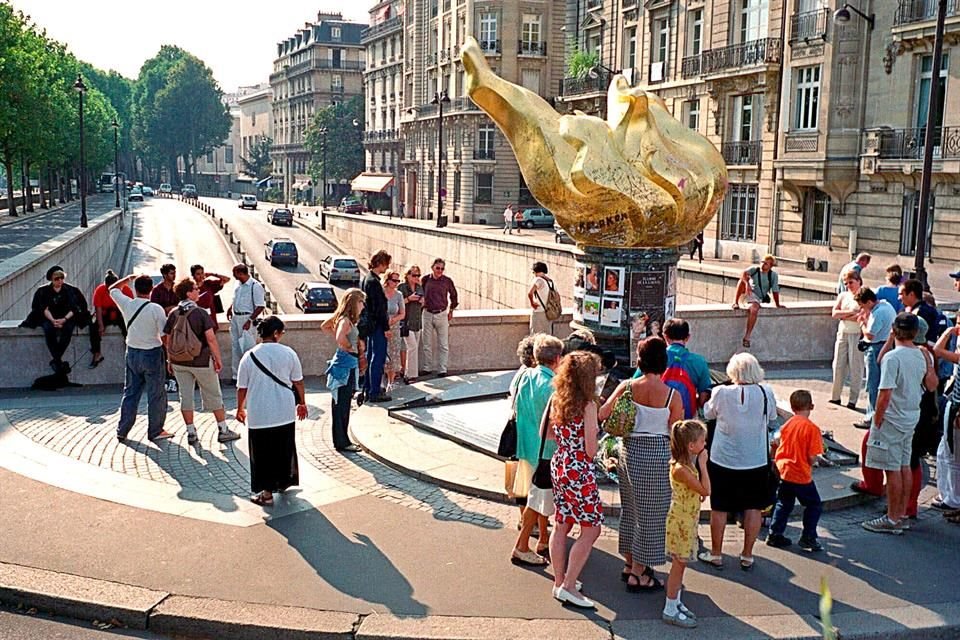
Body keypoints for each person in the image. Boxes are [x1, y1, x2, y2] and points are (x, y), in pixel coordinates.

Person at [600, 337, 683, 590]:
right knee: (653, 515)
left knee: (631, 509)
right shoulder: (672, 395)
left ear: (641, 360)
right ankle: (639, 573)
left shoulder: (627, 386)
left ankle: (628, 563)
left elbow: (603, 413)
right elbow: (676, 432)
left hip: (630, 452)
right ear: (664, 362)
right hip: (657, 455)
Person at [699, 353, 777, 571]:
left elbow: (708, 414)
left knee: (719, 507)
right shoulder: (765, 391)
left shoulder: (721, 392)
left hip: (723, 458)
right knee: (754, 507)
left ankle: (716, 553)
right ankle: (747, 554)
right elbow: (771, 418)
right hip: (755, 459)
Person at [862, 313, 938, 534]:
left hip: (892, 419)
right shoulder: (922, 354)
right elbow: (932, 386)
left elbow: (884, 394)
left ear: (894, 331)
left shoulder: (892, 358)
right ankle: (902, 514)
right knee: (905, 466)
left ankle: (892, 518)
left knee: (892, 469)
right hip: (911, 416)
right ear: (915, 333)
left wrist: (876, 422)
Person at [548, 350, 603, 610]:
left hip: (560, 463)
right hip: (579, 468)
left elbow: (546, 433)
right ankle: (569, 586)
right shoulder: (588, 405)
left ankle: (559, 581)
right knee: (591, 528)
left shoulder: (558, 398)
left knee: (561, 524)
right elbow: (591, 450)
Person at [235, 316, 308, 506]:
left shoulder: (249, 356)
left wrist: (240, 408)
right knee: (284, 447)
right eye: (282, 332)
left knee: (262, 453)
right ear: (275, 333)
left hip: (260, 412)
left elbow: (241, 387)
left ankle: (266, 494)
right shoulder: (288, 353)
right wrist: (302, 403)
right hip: (284, 409)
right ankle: (283, 481)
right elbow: (298, 381)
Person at [163, 278, 238, 446]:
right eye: (196, 289)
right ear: (189, 293)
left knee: (185, 396)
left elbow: (168, 338)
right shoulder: (201, 313)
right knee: (213, 394)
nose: (198, 291)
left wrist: (170, 359)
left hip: (179, 361)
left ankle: (191, 432)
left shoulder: (173, 313)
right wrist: (217, 359)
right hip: (201, 361)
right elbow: (211, 339)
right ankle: (223, 429)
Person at [511, 335, 564, 566]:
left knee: (538, 497)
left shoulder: (526, 375)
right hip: (545, 451)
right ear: (558, 359)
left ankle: (543, 539)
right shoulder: (553, 386)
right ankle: (522, 546)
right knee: (537, 500)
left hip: (525, 445)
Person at [110, 274, 172, 443]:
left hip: (132, 352)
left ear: (135, 289)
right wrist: (171, 358)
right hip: (152, 353)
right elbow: (164, 335)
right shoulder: (156, 309)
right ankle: (155, 430)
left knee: (130, 393)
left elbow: (112, 289)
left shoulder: (127, 304)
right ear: (151, 289)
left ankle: (123, 430)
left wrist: (127, 279)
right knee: (156, 394)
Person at [663, 419, 710, 629]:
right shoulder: (683, 468)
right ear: (691, 445)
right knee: (678, 565)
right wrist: (704, 465)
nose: (705, 443)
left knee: (680, 565)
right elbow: (706, 490)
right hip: (681, 521)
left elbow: (695, 490)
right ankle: (670, 608)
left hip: (687, 517)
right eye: (702, 440)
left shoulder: (684, 464)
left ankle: (676, 601)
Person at [766, 390, 825, 552]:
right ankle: (809, 537)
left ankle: (774, 534)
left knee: (783, 503)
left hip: (784, 470)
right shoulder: (812, 429)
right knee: (814, 505)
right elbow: (812, 457)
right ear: (811, 406)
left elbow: (776, 442)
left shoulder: (787, 424)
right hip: (801, 474)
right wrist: (818, 460)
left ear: (792, 407)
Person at [21, 266, 91, 375]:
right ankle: (58, 360)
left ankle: (56, 359)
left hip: (68, 317)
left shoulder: (71, 290)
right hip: (49, 317)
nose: (60, 281)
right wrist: (53, 320)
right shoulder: (43, 291)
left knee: (68, 330)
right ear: (51, 280)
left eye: (61, 278)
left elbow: (76, 307)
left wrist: (64, 319)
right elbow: (43, 308)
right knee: (48, 330)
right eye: (57, 279)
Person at [322, 288, 366, 453]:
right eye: (361, 302)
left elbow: (325, 326)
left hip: (346, 365)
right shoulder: (345, 320)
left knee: (342, 403)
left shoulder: (344, 319)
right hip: (344, 366)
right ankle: (342, 441)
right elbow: (340, 338)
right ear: (354, 302)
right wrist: (350, 347)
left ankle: (342, 440)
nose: (363, 305)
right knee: (341, 404)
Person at [933, 273, 960, 512]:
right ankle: (949, 497)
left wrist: (949, 333)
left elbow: (939, 351)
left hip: (957, 403)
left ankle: (953, 500)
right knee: (946, 450)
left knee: (952, 453)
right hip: (953, 398)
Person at [852, 287, 897, 433]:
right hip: (885, 345)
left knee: (873, 383)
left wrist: (862, 323)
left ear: (870, 301)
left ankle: (871, 417)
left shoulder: (878, 312)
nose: (862, 308)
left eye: (863, 305)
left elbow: (870, 335)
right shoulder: (887, 305)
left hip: (876, 347)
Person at [652, 318, 712, 418]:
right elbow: (703, 400)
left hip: (657, 418)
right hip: (685, 420)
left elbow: (636, 383)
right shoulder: (699, 361)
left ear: (665, 336)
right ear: (688, 337)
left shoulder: (652, 357)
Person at [508, 334, 538, 521]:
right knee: (528, 482)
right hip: (528, 436)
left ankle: (524, 519)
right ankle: (529, 523)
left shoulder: (521, 374)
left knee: (521, 481)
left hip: (519, 434)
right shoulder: (531, 377)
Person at [829, 269, 865, 410]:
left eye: (851, 282)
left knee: (856, 366)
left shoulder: (862, 295)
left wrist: (844, 315)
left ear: (858, 281)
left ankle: (853, 399)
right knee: (838, 364)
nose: (848, 285)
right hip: (843, 333)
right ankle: (835, 396)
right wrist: (850, 313)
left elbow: (862, 315)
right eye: (846, 283)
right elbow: (834, 313)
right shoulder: (843, 296)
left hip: (857, 333)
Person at [731, 254, 784, 349]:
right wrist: (747, 283)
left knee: (754, 309)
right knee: (741, 281)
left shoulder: (773, 275)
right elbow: (743, 273)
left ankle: (747, 336)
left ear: (771, 266)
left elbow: (775, 290)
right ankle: (735, 302)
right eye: (762, 262)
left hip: (757, 297)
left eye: (766, 263)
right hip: (748, 292)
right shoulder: (755, 269)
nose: (763, 265)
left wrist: (777, 304)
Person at [359, 250, 391, 401]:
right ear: (381, 263)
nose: (387, 268)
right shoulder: (374, 282)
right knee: (377, 358)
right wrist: (386, 328)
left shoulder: (366, 279)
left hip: (371, 326)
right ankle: (374, 392)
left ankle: (369, 387)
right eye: (386, 264)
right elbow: (380, 309)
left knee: (371, 356)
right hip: (377, 326)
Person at [226, 263, 266, 383]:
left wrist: (250, 320)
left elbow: (260, 306)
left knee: (248, 348)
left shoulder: (255, 286)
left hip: (246, 319)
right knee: (236, 347)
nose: (234, 276)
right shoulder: (238, 284)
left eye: (235, 273)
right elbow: (236, 299)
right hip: (236, 318)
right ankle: (236, 376)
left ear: (240, 273)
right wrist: (230, 308)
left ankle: (251, 376)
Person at [421, 258, 458, 377]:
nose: (440, 271)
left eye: (442, 269)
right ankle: (427, 367)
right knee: (426, 343)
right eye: (438, 268)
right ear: (432, 268)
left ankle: (442, 369)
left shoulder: (447, 281)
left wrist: (451, 310)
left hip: (442, 314)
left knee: (443, 344)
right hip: (427, 313)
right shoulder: (426, 279)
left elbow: (454, 296)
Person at [88, 270, 132, 368]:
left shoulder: (126, 290)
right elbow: (98, 309)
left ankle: (130, 352)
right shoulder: (100, 290)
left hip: (120, 314)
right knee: (93, 328)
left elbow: (130, 307)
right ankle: (97, 353)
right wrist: (101, 325)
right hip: (105, 315)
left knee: (128, 330)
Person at [151, 263, 180, 393]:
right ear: (164, 275)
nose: (174, 276)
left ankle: (177, 378)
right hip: (162, 325)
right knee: (164, 352)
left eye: (174, 273)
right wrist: (166, 309)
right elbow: (153, 308)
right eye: (171, 273)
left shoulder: (177, 288)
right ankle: (167, 379)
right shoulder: (157, 290)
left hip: (177, 325)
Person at [398, 266, 424, 382]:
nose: (416, 278)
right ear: (407, 275)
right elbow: (397, 304)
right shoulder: (402, 288)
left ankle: (409, 373)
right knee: (412, 347)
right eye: (414, 275)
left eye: (418, 275)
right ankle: (411, 375)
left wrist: (422, 301)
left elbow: (422, 304)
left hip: (417, 321)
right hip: (406, 322)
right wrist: (409, 299)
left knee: (414, 348)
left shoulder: (419, 288)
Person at [383, 269, 406, 392]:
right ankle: (382, 380)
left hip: (394, 327)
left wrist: (394, 319)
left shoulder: (399, 295)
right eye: (394, 280)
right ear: (388, 280)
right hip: (382, 327)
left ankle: (390, 382)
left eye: (398, 280)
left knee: (393, 354)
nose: (396, 283)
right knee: (382, 353)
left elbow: (403, 313)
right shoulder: (381, 292)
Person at [899, 278, 939, 346]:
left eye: (901, 294)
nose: (899, 297)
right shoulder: (929, 309)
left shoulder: (920, 312)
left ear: (911, 294)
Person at [190, 264, 230, 330]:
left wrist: (212, 274)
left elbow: (226, 279)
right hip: (197, 320)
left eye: (202, 273)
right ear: (193, 275)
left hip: (210, 320)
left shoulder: (209, 284)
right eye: (198, 274)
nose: (201, 276)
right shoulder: (190, 287)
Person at [527, 261, 556, 336]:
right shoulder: (550, 282)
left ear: (535, 271)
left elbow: (530, 293)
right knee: (547, 336)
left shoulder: (538, 280)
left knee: (535, 336)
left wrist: (532, 303)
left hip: (539, 311)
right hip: (549, 312)